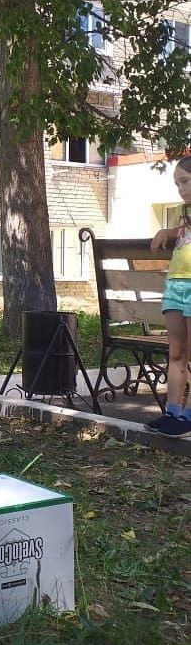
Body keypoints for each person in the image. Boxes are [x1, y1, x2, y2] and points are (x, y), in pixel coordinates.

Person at [148, 157, 191, 439]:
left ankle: (188, 416)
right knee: (175, 354)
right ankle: (172, 411)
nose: (180, 188)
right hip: (175, 286)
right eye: (177, 183)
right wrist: (168, 230)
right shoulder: (184, 216)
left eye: (185, 181)